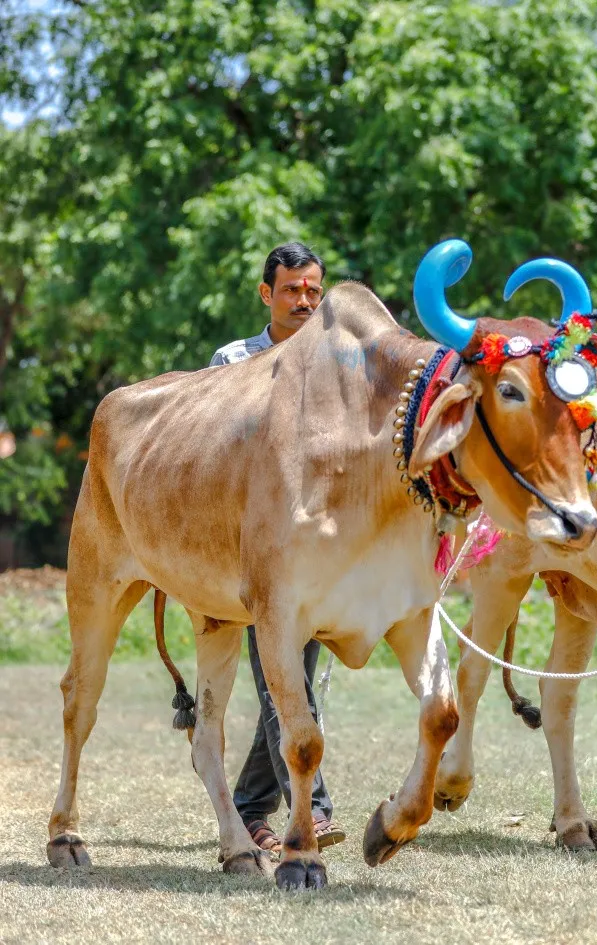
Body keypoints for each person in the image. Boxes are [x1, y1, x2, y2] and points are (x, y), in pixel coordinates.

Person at [209, 241, 345, 854]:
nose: (304, 300)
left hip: (315, 540)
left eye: (314, 290)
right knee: (283, 676)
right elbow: (219, 446)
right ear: (267, 294)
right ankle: (311, 808)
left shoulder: (338, 362)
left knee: (292, 675)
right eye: (292, 289)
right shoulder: (234, 360)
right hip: (251, 547)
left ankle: (248, 807)